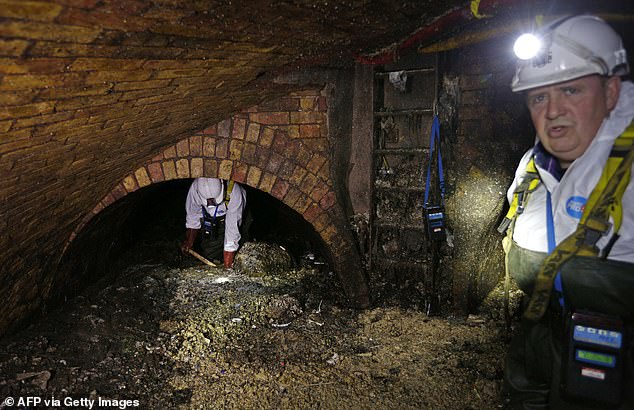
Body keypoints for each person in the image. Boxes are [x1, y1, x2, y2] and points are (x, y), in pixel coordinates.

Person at [500, 15, 634, 409]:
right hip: (540, 348)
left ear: (611, 91)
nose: (553, 110)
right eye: (539, 97)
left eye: (571, 89)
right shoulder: (531, 167)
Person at [181, 177, 247, 268]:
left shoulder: (234, 192)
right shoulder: (195, 188)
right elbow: (193, 217)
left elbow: (232, 234)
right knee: (210, 254)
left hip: (236, 216)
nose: (211, 203)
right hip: (212, 221)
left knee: (241, 253)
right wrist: (189, 242)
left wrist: (227, 268)